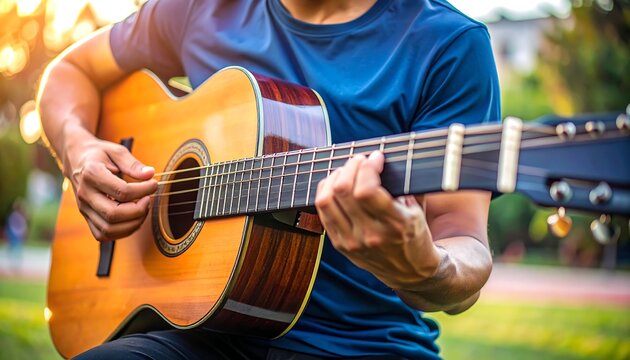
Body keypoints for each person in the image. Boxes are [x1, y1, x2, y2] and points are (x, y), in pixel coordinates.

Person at [37, 0, 500, 358]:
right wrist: (78, 149)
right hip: (193, 337)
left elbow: (464, 246)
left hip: (363, 344)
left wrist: (424, 268)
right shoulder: (200, 7)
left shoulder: (448, 43)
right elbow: (69, 72)